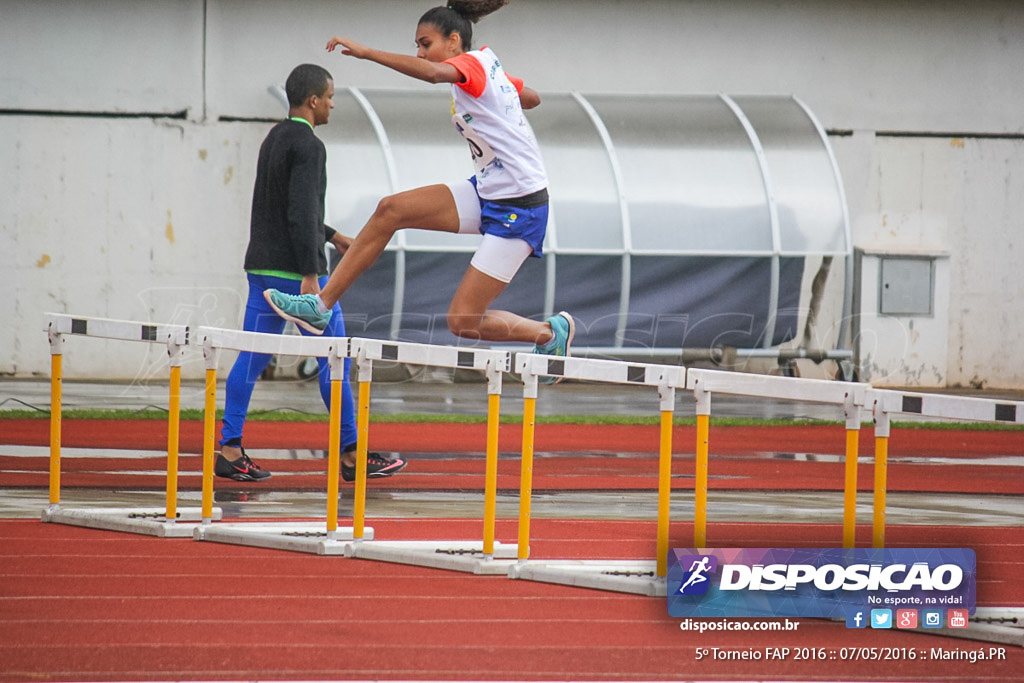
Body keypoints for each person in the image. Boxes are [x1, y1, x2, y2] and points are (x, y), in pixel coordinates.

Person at [262, 1, 574, 373]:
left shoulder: (473, 65)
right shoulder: (486, 68)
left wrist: (366, 53)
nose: (420, 52)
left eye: (425, 44)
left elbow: (429, 73)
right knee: (390, 209)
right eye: (418, 46)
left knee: (463, 322)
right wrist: (505, 93)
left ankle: (548, 332)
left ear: (454, 41)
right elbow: (533, 98)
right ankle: (319, 307)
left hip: (520, 206)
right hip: (489, 190)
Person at [216, 63, 406, 483]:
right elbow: (301, 213)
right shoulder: (310, 146)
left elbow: (284, 209)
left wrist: (335, 236)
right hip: (294, 274)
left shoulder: (274, 138)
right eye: (331, 96)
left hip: (260, 268)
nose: (333, 104)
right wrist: (310, 275)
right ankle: (353, 455)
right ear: (314, 100)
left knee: (251, 358)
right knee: (334, 359)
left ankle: (229, 449)